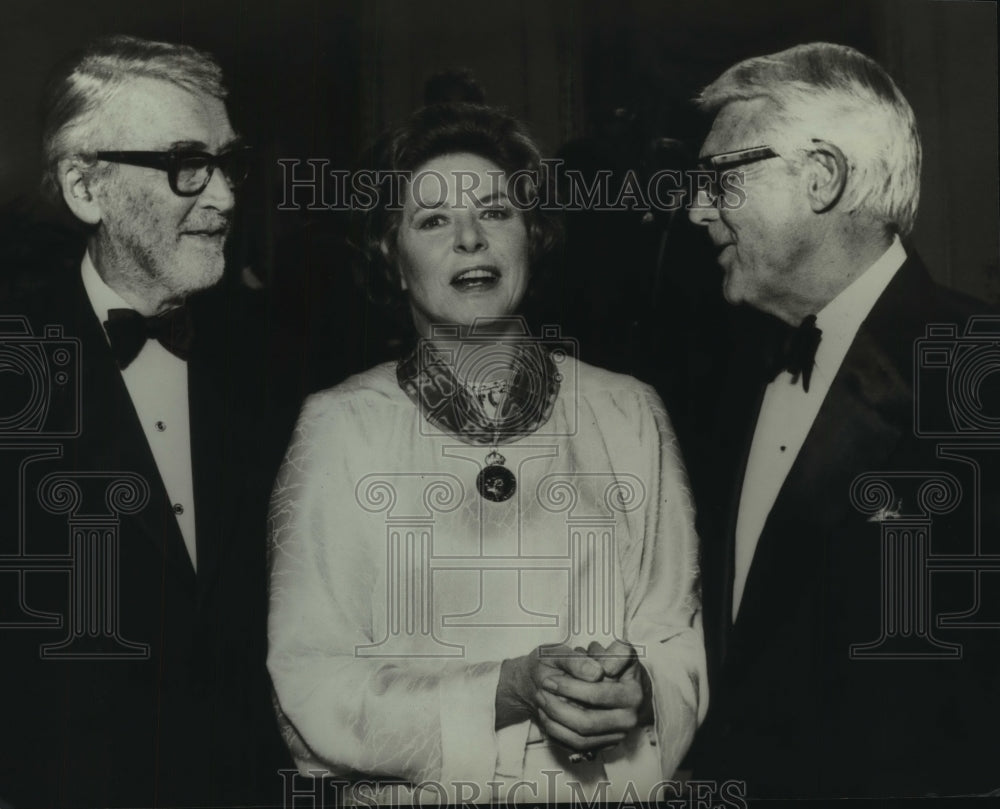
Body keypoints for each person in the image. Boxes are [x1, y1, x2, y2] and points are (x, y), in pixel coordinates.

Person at [267, 103, 706, 804]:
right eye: (433, 220)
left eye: (496, 213)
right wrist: (502, 688)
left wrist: (640, 688)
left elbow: (677, 637)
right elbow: (309, 686)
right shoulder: (340, 426)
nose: (470, 239)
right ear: (391, 254)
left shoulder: (629, 411)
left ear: (532, 235)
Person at [685, 42, 1000, 797]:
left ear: (821, 177)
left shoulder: (976, 370)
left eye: (718, 179)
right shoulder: (731, 380)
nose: (696, 210)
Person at [0, 35, 290, 807]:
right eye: (184, 165)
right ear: (85, 188)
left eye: (229, 163)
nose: (224, 196)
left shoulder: (279, 358)